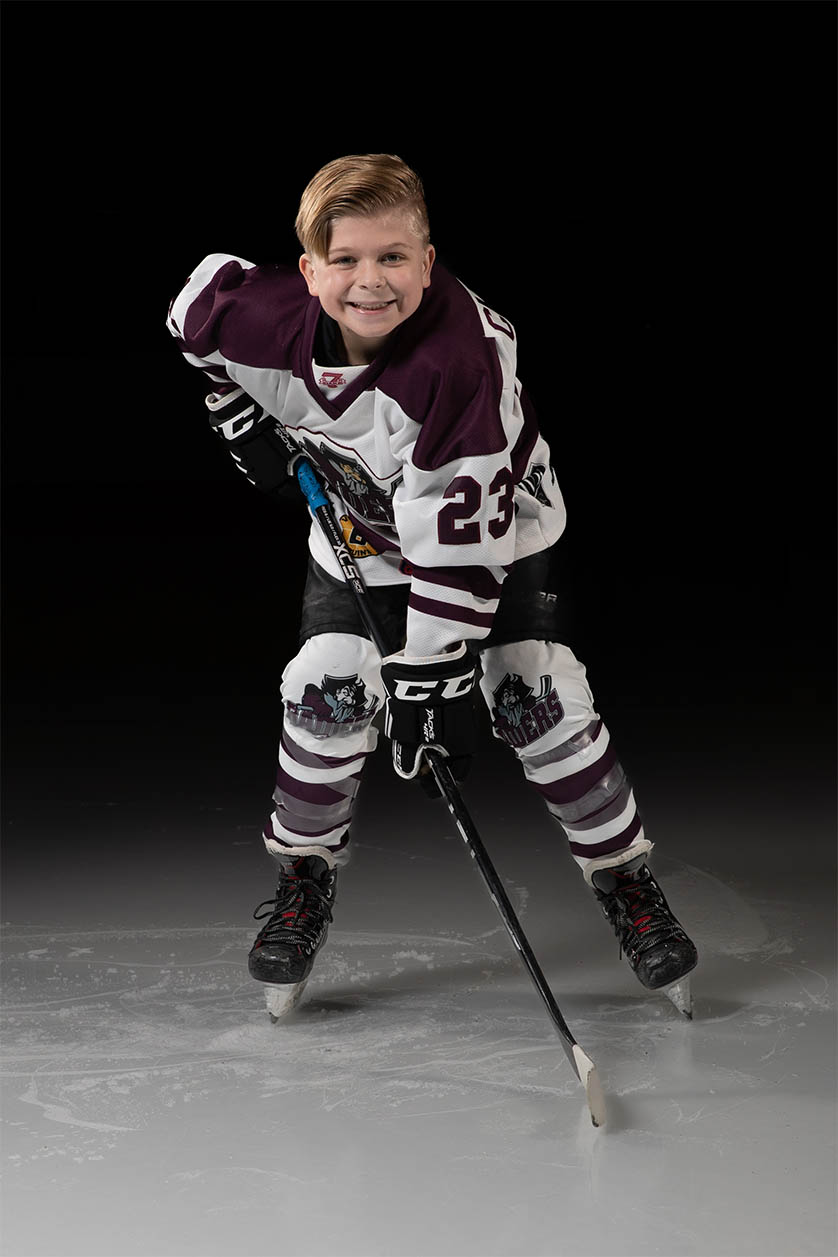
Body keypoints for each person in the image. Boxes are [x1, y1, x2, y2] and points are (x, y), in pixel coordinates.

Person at [166, 153, 697, 1017]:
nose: (370, 282)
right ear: (308, 271)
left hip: (501, 535)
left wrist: (428, 674)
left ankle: (626, 884)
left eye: (393, 258)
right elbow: (193, 314)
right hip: (359, 536)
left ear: (427, 258)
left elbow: (457, 553)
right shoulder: (257, 319)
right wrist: (234, 415)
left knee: (534, 696)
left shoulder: (458, 363)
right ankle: (303, 879)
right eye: (345, 260)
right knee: (326, 693)